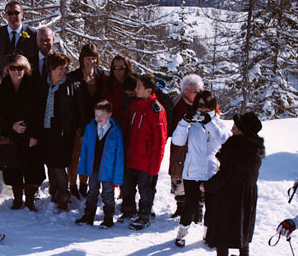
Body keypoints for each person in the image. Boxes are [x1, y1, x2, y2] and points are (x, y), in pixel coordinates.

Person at [202, 112, 264, 256]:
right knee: (244, 223)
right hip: (248, 192)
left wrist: (207, 186)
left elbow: (226, 175)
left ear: (243, 131)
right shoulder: (256, 148)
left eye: (235, 127)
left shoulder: (235, 148)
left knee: (222, 228)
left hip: (230, 194)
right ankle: (244, 255)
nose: (231, 129)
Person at [170, 90, 231, 249]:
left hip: (211, 171)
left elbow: (224, 139)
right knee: (190, 205)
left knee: (212, 206)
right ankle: (181, 234)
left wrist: (209, 122)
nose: (203, 109)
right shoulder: (192, 121)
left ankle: (208, 234)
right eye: (200, 105)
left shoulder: (217, 122)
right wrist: (184, 122)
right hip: (192, 169)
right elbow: (177, 140)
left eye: (207, 106)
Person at [0, 54, 45, 211]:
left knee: (33, 167)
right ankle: (17, 199)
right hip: (12, 134)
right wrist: (11, 126)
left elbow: (42, 112)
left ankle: (30, 200)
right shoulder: (1, 88)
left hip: (31, 133)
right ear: (7, 69)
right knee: (12, 167)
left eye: (20, 68)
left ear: (26, 69)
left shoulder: (35, 86)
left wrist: (35, 135)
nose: (16, 71)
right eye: (12, 68)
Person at [120, 74, 168, 230]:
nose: (135, 89)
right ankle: (128, 211)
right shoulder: (134, 106)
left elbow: (160, 140)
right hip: (130, 157)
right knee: (127, 187)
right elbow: (126, 130)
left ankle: (144, 216)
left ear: (148, 90)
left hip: (146, 161)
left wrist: (155, 165)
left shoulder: (157, 110)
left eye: (139, 87)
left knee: (145, 190)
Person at [40, 53, 81, 212]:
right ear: (51, 69)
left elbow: (79, 110)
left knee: (58, 166)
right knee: (50, 164)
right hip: (47, 131)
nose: (63, 71)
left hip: (64, 133)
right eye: (59, 68)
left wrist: (78, 129)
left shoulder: (72, 85)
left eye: (65, 68)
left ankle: (64, 196)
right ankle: (54, 194)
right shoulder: (44, 85)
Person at [66, 43, 108, 199]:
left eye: (93, 58)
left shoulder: (101, 76)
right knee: (75, 155)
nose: (91, 61)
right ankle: (72, 185)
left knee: (89, 155)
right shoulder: (73, 77)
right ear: (81, 59)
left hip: (95, 123)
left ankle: (84, 184)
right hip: (77, 122)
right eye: (87, 58)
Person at [74, 100, 124, 228]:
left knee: (107, 193)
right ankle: (88, 215)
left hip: (108, 169)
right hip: (94, 167)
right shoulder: (90, 128)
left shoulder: (115, 131)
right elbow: (85, 149)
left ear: (110, 114)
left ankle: (108, 217)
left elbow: (119, 155)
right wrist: (84, 166)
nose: (99, 118)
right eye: (96, 115)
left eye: (102, 115)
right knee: (92, 192)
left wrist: (118, 175)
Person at [167, 74, 204, 220]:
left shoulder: (205, 102)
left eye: (199, 90)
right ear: (185, 91)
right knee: (178, 176)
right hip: (180, 147)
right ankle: (180, 207)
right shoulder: (177, 103)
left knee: (198, 178)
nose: (198, 93)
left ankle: (198, 209)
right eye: (194, 91)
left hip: (199, 148)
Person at [0, 2, 38, 82]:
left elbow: (38, 60)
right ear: (5, 15)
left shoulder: (33, 34)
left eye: (16, 13)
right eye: (9, 13)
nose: (13, 16)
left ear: (22, 14)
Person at [104, 54, 134, 124]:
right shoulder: (107, 84)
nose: (117, 71)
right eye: (115, 68)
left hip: (130, 126)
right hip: (111, 126)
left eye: (121, 68)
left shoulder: (135, 84)